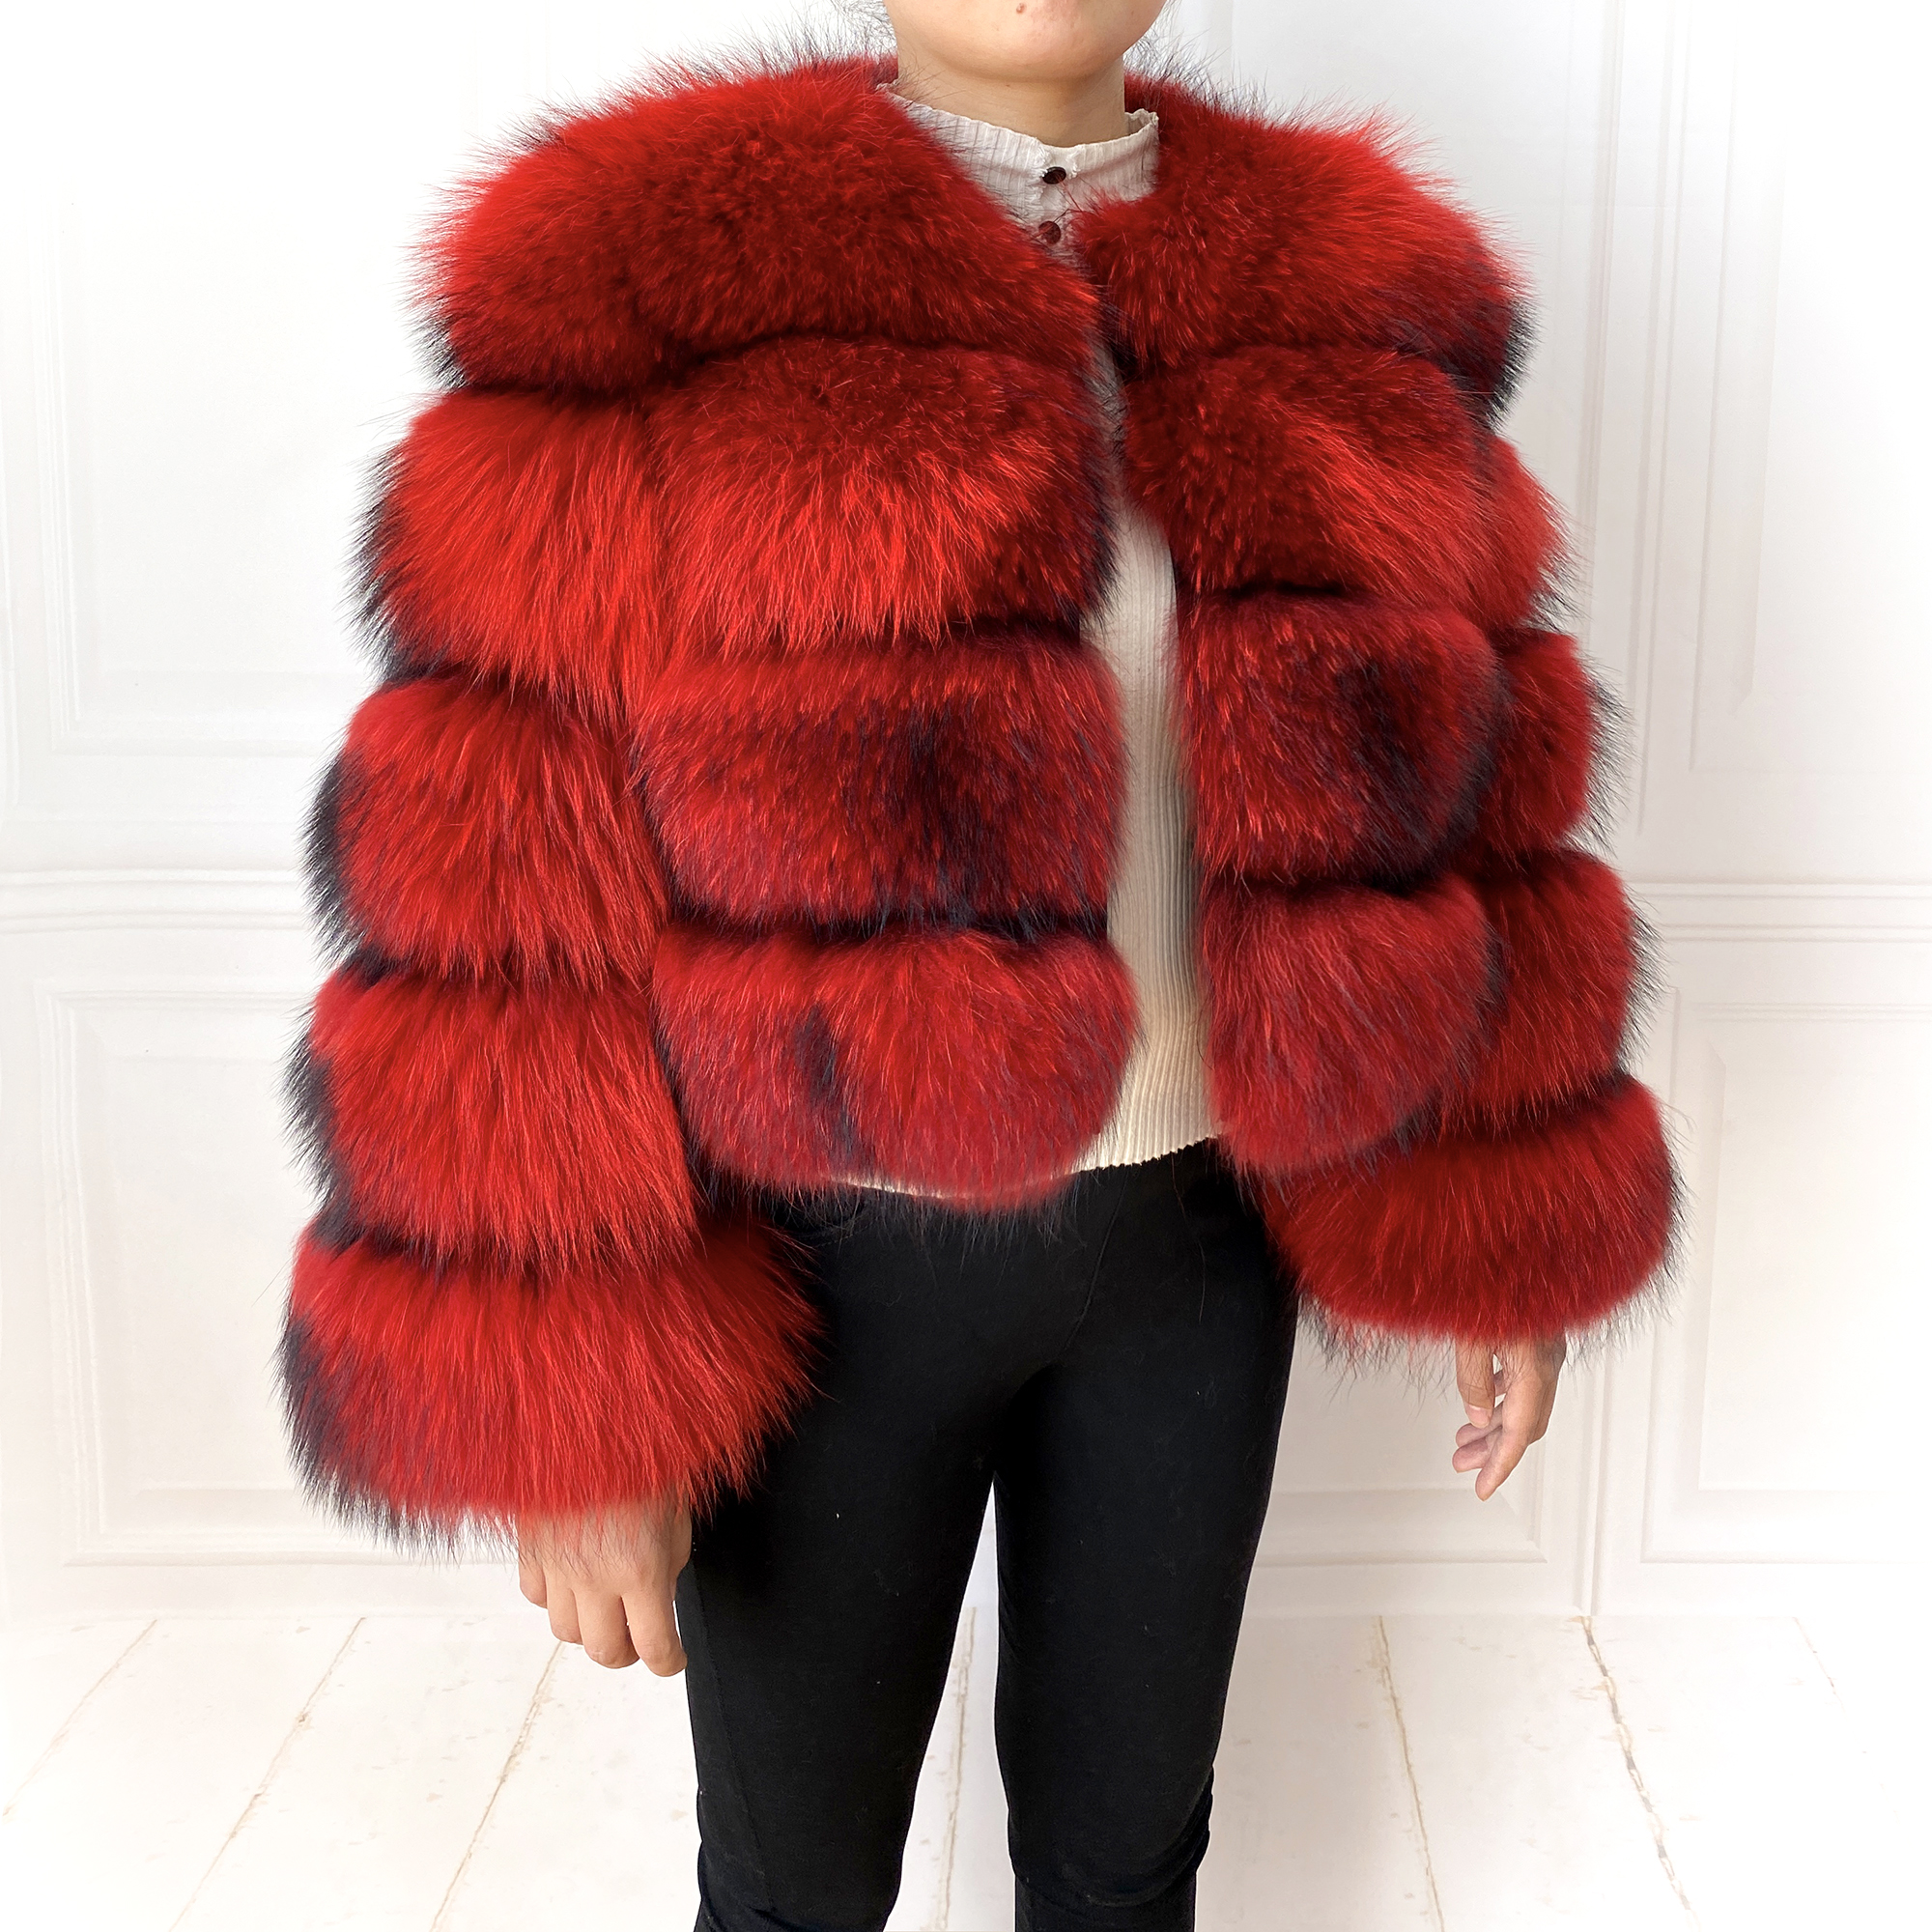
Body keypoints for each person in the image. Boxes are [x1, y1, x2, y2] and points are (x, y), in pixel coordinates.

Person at [280, 2, 1676, 1925]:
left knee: (1129, 1863)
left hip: (1196, 1257)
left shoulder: (1360, 308)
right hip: (820, 1276)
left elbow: (1484, 804)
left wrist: (1505, 1219)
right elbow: (493, 874)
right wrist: (566, 1393)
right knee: (794, 1887)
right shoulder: (649, 285)